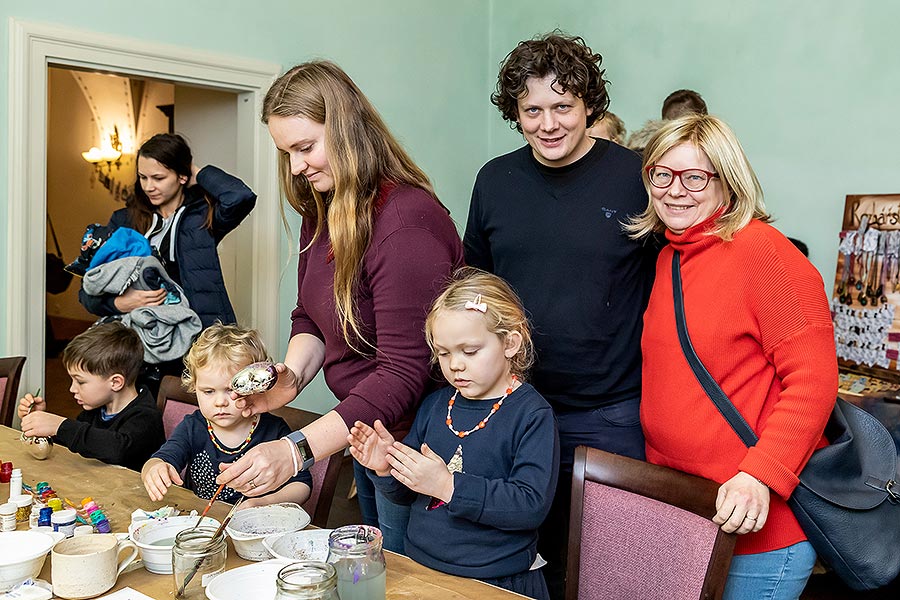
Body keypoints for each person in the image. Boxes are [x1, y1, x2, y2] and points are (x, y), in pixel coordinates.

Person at [214, 60, 464, 551]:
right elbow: (310, 314)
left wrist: (296, 449)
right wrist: (291, 375)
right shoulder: (323, 209)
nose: (297, 168)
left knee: (403, 575)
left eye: (305, 148)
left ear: (347, 130)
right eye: (286, 153)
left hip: (419, 446)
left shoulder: (407, 221)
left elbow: (403, 372)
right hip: (367, 431)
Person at [464, 31, 657, 598]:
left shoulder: (637, 176)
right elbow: (475, 284)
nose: (548, 123)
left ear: (589, 105)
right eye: (533, 110)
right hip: (515, 408)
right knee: (521, 564)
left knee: (612, 571)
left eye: (563, 107)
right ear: (515, 113)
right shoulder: (495, 180)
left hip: (612, 412)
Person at [626, 114, 836, 600]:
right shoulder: (669, 256)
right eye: (662, 174)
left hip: (759, 530)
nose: (675, 190)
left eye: (695, 177)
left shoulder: (764, 253)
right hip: (688, 515)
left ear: (728, 181)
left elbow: (814, 382)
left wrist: (761, 475)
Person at [349, 268, 558, 600]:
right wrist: (387, 468)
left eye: (470, 351)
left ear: (511, 343)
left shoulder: (532, 415)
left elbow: (529, 505)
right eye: (444, 353)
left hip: (496, 581)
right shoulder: (436, 405)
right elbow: (409, 494)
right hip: (422, 572)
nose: (455, 365)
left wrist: (448, 485)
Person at [78, 133, 257, 394]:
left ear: (182, 176)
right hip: (139, 340)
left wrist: (197, 172)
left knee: (194, 407)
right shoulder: (123, 222)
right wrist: (120, 303)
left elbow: (240, 196)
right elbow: (88, 291)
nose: (149, 186)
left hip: (197, 334)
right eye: (143, 177)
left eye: (159, 177)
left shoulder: (203, 216)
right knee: (144, 415)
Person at [141, 324, 312, 507]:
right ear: (195, 388)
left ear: (257, 387)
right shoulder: (192, 427)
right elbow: (160, 459)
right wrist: (154, 468)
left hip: (256, 523)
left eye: (231, 389)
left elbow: (302, 485)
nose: (220, 402)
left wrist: (264, 502)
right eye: (208, 391)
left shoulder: (274, 429)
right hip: (203, 525)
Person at [18, 321, 165, 472]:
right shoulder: (95, 411)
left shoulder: (146, 417)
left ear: (115, 382)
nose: (72, 389)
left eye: (80, 382)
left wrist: (59, 426)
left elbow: (117, 449)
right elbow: (79, 441)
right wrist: (42, 422)